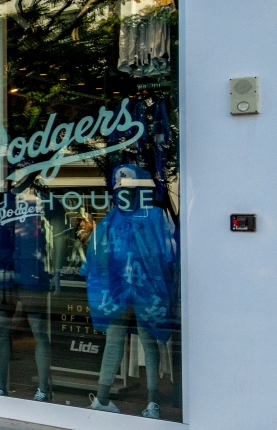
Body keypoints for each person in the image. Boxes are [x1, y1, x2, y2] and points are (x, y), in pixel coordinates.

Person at [84, 163, 179, 417]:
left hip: (128, 290)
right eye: (121, 190)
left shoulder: (115, 220)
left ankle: (109, 399)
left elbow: (96, 261)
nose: (123, 195)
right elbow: (169, 256)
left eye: (127, 189)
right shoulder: (153, 216)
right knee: (142, 342)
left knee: (124, 342)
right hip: (139, 289)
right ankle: (150, 402)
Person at [0, 177, 57, 401]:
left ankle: (43, 389)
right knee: (1, 331)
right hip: (3, 270)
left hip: (33, 270)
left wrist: (56, 269)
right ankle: (1, 387)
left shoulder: (42, 201)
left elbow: (57, 232)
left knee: (39, 332)